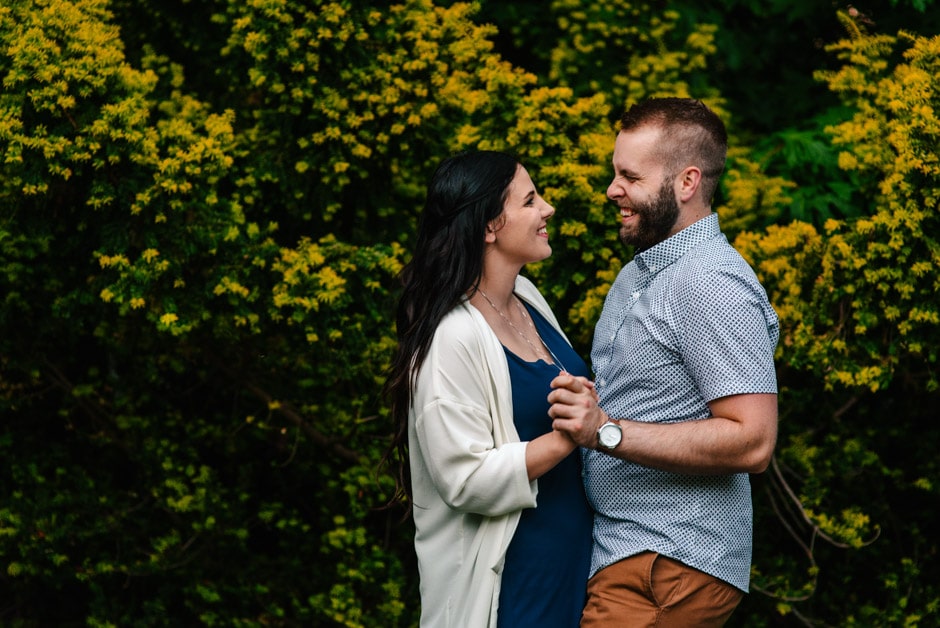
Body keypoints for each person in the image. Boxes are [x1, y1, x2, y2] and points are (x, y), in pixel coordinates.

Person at [547, 97, 780, 626]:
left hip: (666, 563)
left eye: (630, 175)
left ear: (686, 182)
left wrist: (605, 431)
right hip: (627, 553)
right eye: (615, 172)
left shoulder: (709, 283)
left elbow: (754, 439)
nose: (612, 189)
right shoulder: (643, 272)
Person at [384, 150, 594, 627]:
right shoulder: (451, 337)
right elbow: (466, 479)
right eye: (530, 200)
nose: (547, 209)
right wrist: (567, 438)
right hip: (510, 588)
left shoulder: (529, 299)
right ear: (488, 226)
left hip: (572, 571)